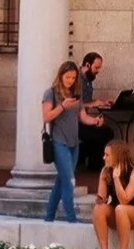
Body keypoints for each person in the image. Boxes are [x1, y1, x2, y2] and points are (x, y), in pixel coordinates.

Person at [43, 58, 101, 223]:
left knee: (61, 180)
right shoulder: (51, 93)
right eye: (67, 77)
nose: (70, 81)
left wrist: (95, 121)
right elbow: (46, 116)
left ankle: (49, 217)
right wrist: (62, 106)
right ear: (61, 76)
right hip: (58, 141)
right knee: (69, 181)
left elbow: (82, 116)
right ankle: (72, 219)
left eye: (73, 78)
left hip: (74, 142)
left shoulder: (76, 94)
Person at [76, 51, 115, 175]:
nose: (98, 71)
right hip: (74, 121)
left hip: (83, 118)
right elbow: (76, 104)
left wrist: (101, 102)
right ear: (87, 65)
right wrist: (92, 104)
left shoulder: (88, 80)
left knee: (106, 131)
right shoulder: (77, 80)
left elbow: (86, 101)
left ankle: (92, 162)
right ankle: (92, 164)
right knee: (102, 134)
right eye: (96, 68)